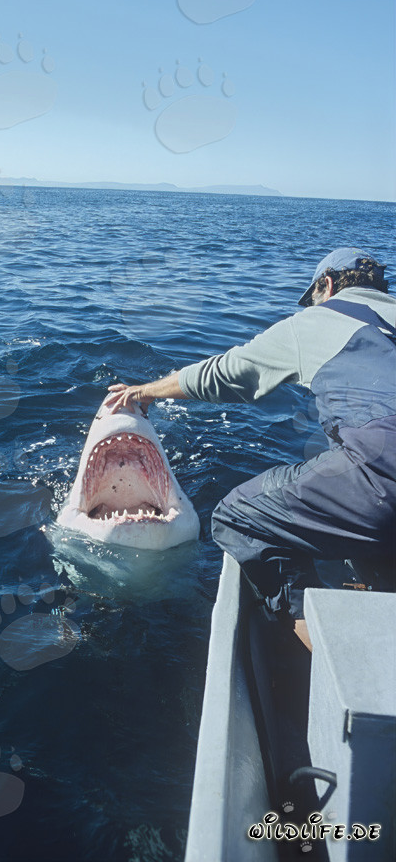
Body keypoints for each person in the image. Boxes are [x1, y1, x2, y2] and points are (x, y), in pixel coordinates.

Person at [108, 247, 396, 649]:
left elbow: (226, 373)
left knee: (238, 516)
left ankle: (330, 654)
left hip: (383, 465)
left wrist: (147, 391)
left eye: (313, 296)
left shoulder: (321, 319)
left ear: (326, 285)